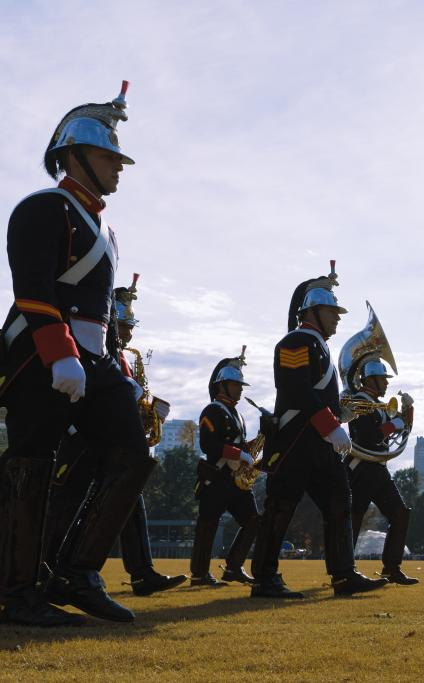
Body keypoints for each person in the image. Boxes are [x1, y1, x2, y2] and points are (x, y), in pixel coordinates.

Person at [0, 82, 156, 625]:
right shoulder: (43, 208)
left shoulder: (106, 228)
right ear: (72, 155)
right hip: (40, 355)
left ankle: (77, 572)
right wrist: (59, 352)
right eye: (108, 155)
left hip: (93, 361)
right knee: (31, 464)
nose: (119, 166)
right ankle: (17, 593)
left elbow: (106, 315)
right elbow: (35, 291)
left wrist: (117, 368)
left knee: (135, 456)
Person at [249, 263, 387, 599]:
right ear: (313, 311)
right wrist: (330, 425)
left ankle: (343, 574)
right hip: (296, 439)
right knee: (280, 508)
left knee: (340, 502)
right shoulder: (295, 341)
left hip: (318, 441)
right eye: (332, 311)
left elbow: (315, 392)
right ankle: (265, 578)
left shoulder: (318, 346)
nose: (338, 318)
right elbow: (297, 390)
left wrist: (342, 414)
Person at [43, 278, 185, 598]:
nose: (129, 332)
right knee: (65, 503)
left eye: (131, 325)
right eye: (123, 324)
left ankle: (142, 571)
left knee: (130, 498)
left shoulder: (120, 354)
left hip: (112, 441)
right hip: (82, 435)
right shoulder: (93, 343)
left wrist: (150, 414)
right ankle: (47, 569)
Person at [191, 350, 261, 587]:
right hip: (217, 476)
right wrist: (238, 453)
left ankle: (233, 567)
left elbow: (240, 444)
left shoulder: (237, 414)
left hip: (236, 480)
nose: (241, 389)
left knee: (253, 521)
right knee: (208, 524)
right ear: (222, 385)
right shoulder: (212, 410)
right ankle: (199, 574)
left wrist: (261, 438)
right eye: (236, 384)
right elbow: (208, 444)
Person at [346, 362, 417, 585]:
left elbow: (395, 431)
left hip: (377, 467)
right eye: (382, 379)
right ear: (370, 380)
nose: (386, 383)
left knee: (400, 513)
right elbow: (369, 436)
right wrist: (396, 423)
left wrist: (406, 416)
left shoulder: (379, 405)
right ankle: (345, 570)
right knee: (354, 519)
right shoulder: (358, 402)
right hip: (360, 467)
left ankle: (391, 567)